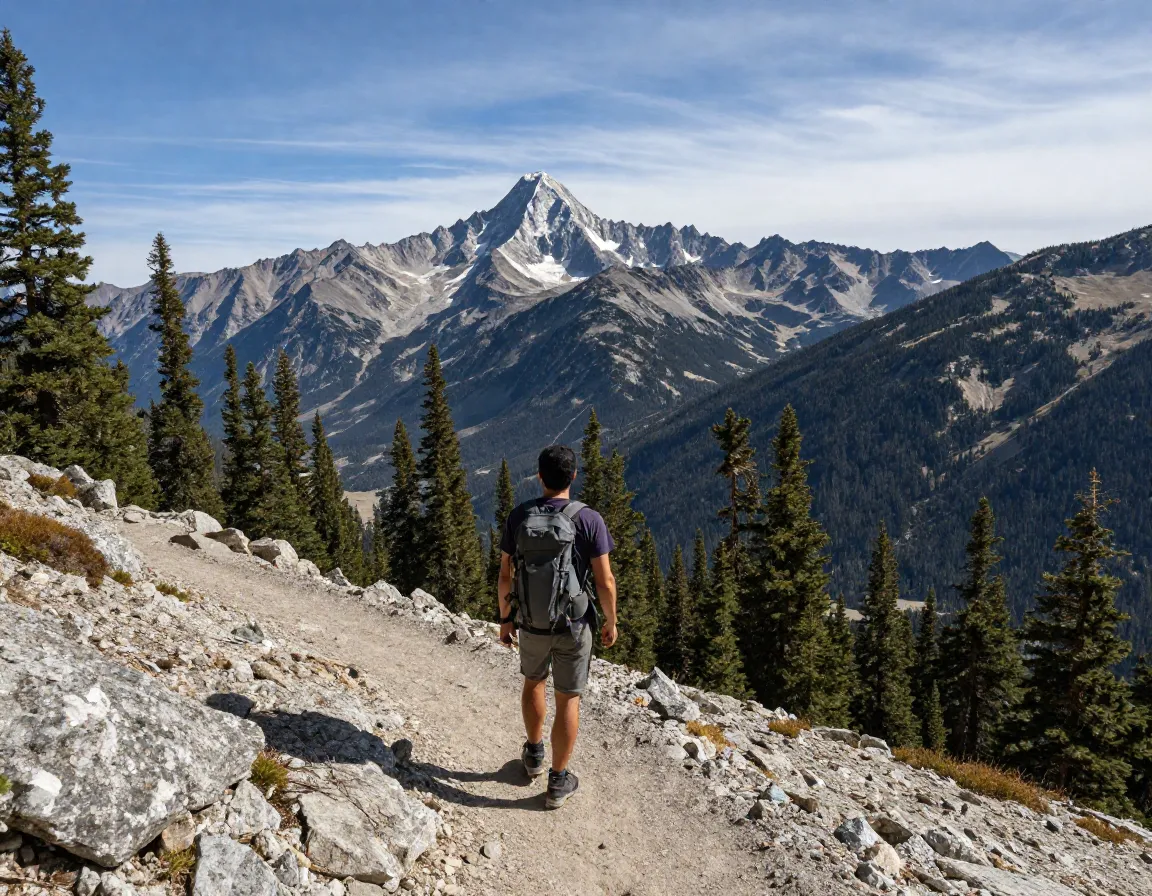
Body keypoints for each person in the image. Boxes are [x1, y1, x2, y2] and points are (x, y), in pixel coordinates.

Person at [498, 444, 618, 809]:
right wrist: (611, 621)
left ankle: (533, 756)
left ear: (539, 476)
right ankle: (558, 781)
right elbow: (605, 581)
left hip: (531, 623)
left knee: (533, 682)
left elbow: (505, 576)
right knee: (568, 697)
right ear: (574, 476)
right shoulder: (588, 519)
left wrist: (505, 621)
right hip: (574, 623)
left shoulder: (519, 516)